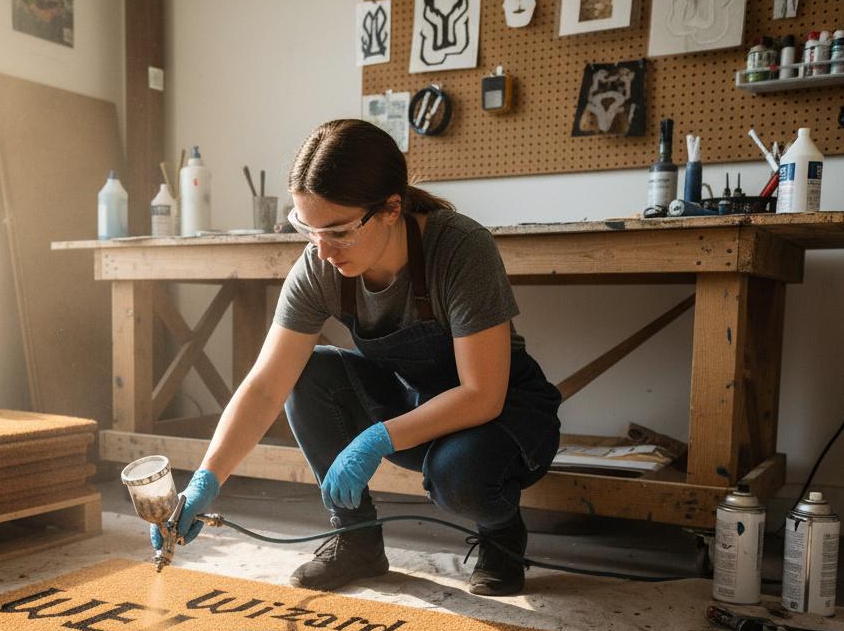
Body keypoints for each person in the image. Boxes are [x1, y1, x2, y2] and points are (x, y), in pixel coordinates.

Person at [149, 119, 561, 595]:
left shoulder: (460, 248)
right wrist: (204, 482)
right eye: (307, 228)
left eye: (339, 231)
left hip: (503, 420)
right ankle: (356, 540)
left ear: (390, 208)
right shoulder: (321, 265)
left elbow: (482, 395)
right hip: (417, 406)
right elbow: (266, 385)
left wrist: (375, 439)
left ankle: (501, 533)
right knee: (309, 373)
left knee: (459, 475)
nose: (322, 251)